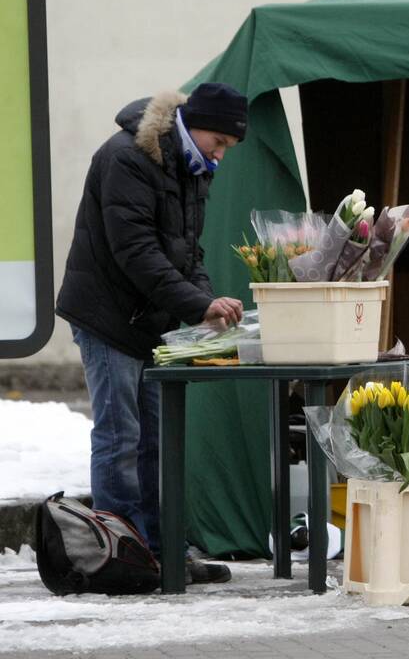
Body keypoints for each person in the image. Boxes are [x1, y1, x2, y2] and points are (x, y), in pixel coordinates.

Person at [56, 83, 250, 583]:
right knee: (121, 439)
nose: (221, 154)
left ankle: (166, 553)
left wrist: (208, 304)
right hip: (107, 318)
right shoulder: (127, 158)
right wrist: (197, 303)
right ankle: (122, 558)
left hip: (148, 322)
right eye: (221, 141)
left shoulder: (190, 166)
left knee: (156, 443)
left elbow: (189, 253)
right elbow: (136, 251)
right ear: (195, 122)